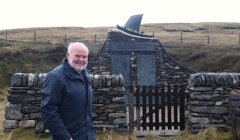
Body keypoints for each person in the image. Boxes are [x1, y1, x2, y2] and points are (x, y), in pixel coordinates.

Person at [40, 42, 96, 140]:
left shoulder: (84, 74)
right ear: (67, 55)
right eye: (77, 56)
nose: (81, 60)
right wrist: (65, 137)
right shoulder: (55, 77)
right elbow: (48, 111)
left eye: (84, 57)